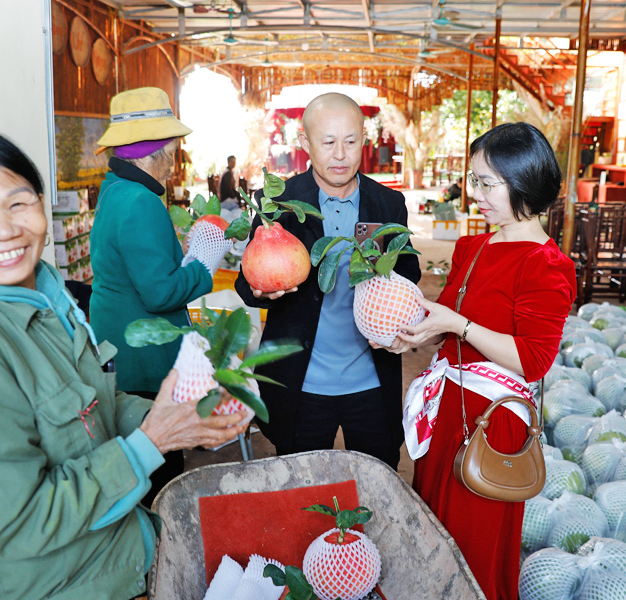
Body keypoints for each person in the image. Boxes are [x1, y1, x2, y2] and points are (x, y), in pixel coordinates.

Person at [0, 130, 247, 600]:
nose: (5, 229)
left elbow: (89, 406)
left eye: (18, 203)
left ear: (41, 205)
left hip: (111, 563)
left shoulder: (39, 300)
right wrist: (152, 440)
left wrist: (179, 417)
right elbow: (23, 523)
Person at [390, 122, 576, 600]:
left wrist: (458, 324)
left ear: (524, 184)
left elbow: (533, 359)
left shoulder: (545, 264)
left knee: (473, 550)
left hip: (491, 425)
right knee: (433, 538)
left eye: (487, 183)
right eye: (474, 180)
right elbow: (450, 323)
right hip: (446, 414)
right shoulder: (472, 248)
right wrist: (415, 334)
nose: (475, 194)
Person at [234, 92, 421, 470]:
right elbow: (246, 282)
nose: (340, 155)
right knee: (300, 483)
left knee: (376, 478)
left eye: (350, 141)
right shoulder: (278, 205)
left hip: (370, 379)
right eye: (328, 142)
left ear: (363, 138)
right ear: (305, 142)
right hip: (301, 382)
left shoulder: (387, 203)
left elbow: (409, 274)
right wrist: (261, 290)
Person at [91, 87, 220, 505]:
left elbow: (136, 269)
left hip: (120, 347)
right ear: (154, 153)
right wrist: (203, 267)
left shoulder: (114, 191)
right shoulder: (140, 202)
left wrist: (181, 258)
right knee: (161, 474)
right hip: (143, 356)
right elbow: (160, 293)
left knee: (134, 465)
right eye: (172, 151)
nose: (174, 161)